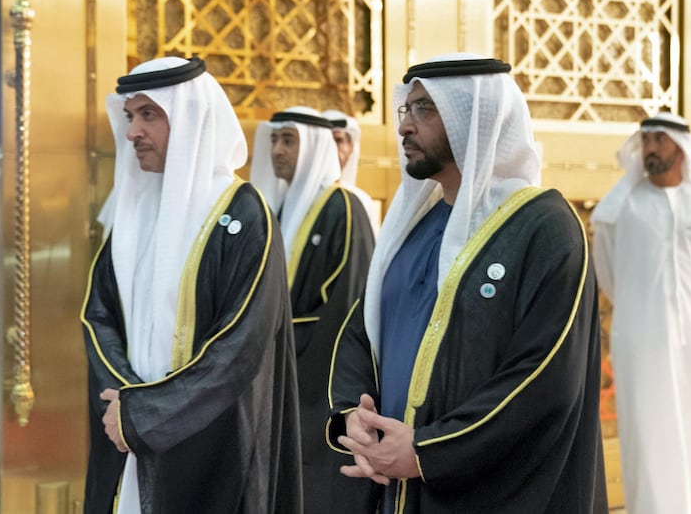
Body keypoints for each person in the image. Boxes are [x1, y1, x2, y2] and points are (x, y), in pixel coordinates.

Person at [326, 53, 608, 513]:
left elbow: (545, 377)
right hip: (395, 486)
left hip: (492, 490)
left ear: (474, 119)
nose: (404, 128)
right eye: (406, 109)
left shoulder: (545, 226)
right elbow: (364, 330)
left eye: (425, 110)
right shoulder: (413, 224)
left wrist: (429, 450)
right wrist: (352, 418)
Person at [80, 56, 302, 514]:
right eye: (130, 115)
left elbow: (241, 343)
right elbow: (98, 315)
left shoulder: (242, 212)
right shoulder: (133, 210)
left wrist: (150, 412)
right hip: (125, 429)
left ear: (191, 119)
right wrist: (124, 401)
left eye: (149, 115)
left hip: (212, 438)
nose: (132, 132)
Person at [591, 111, 691, 514]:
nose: (651, 149)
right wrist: (646, 313)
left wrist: (688, 308)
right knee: (649, 437)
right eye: (646, 141)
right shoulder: (620, 209)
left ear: (680, 145)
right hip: (640, 342)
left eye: (659, 140)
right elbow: (610, 275)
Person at [250, 107, 378, 514]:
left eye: (288, 140)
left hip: (317, 387)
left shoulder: (344, 208)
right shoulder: (278, 210)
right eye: (273, 140)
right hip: (277, 376)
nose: (278, 150)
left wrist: (276, 344)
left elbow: (346, 308)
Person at [322, 109, 380, 235]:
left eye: (338, 140)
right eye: (327, 141)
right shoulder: (302, 195)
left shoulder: (361, 201)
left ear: (351, 148)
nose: (332, 147)